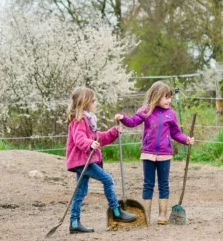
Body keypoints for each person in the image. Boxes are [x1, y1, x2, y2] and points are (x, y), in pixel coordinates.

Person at [114, 81, 194, 225]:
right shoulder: (146, 110)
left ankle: (162, 215)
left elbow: (176, 133)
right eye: (166, 97)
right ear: (156, 96)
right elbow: (132, 122)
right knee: (148, 184)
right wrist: (123, 118)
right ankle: (146, 216)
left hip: (165, 154)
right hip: (148, 154)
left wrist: (186, 139)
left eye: (170, 97)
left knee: (164, 184)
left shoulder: (171, 114)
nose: (169, 100)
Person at [65, 87, 136, 234]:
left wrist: (113, 132)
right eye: (93, 101)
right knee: (108, 179)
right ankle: (116, 212)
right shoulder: (79, 121)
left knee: (80, 192)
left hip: (83, 161)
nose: (95, 103)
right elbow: (80, 139)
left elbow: (98, 137)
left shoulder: (88, 120)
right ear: (85, 103)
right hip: (83, 161)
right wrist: (89, 144)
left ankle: (74, 222)